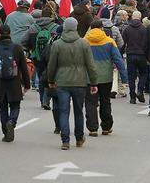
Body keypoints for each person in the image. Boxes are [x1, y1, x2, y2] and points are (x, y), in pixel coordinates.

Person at [47, 17, 98, 150]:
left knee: (63, 111)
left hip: (62, 81)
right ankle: (79, 138)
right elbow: (91, 65)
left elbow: (51, 65)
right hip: (80, 82)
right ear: (76, 27)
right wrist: (93, 83)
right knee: (78, 111)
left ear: (64, 28)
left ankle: (65, 140)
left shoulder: (57, 44)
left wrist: (51, 81)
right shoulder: (84, 43)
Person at [0, 25, 31, 142]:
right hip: (15, 82)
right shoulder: (17, 48)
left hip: (1, 84)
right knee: (15, 106)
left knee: (3, 108)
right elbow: (23, 68)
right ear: (10, 33)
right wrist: (27, 84)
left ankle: (6, 132)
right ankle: (12, 122)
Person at [84, 19, 127, 136]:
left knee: (90, 102)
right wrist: (124, 78)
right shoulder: (109, 41)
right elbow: (118, 60)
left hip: (89, 78)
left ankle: (92, 128)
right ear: (102, 28)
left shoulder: (84, 42)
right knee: (105, 101)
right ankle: (106, 127)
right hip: (106, 77)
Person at [122, 11, 148, 104]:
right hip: (142, 55)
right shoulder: (144, 29)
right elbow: (147, 43)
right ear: (140, 17)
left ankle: (132, 97)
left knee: (131, 76)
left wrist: (121, 54)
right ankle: (140, 90)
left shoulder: (127, 29)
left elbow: (123, 43)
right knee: (143, 73)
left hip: (130, 54)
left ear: (132, 17)